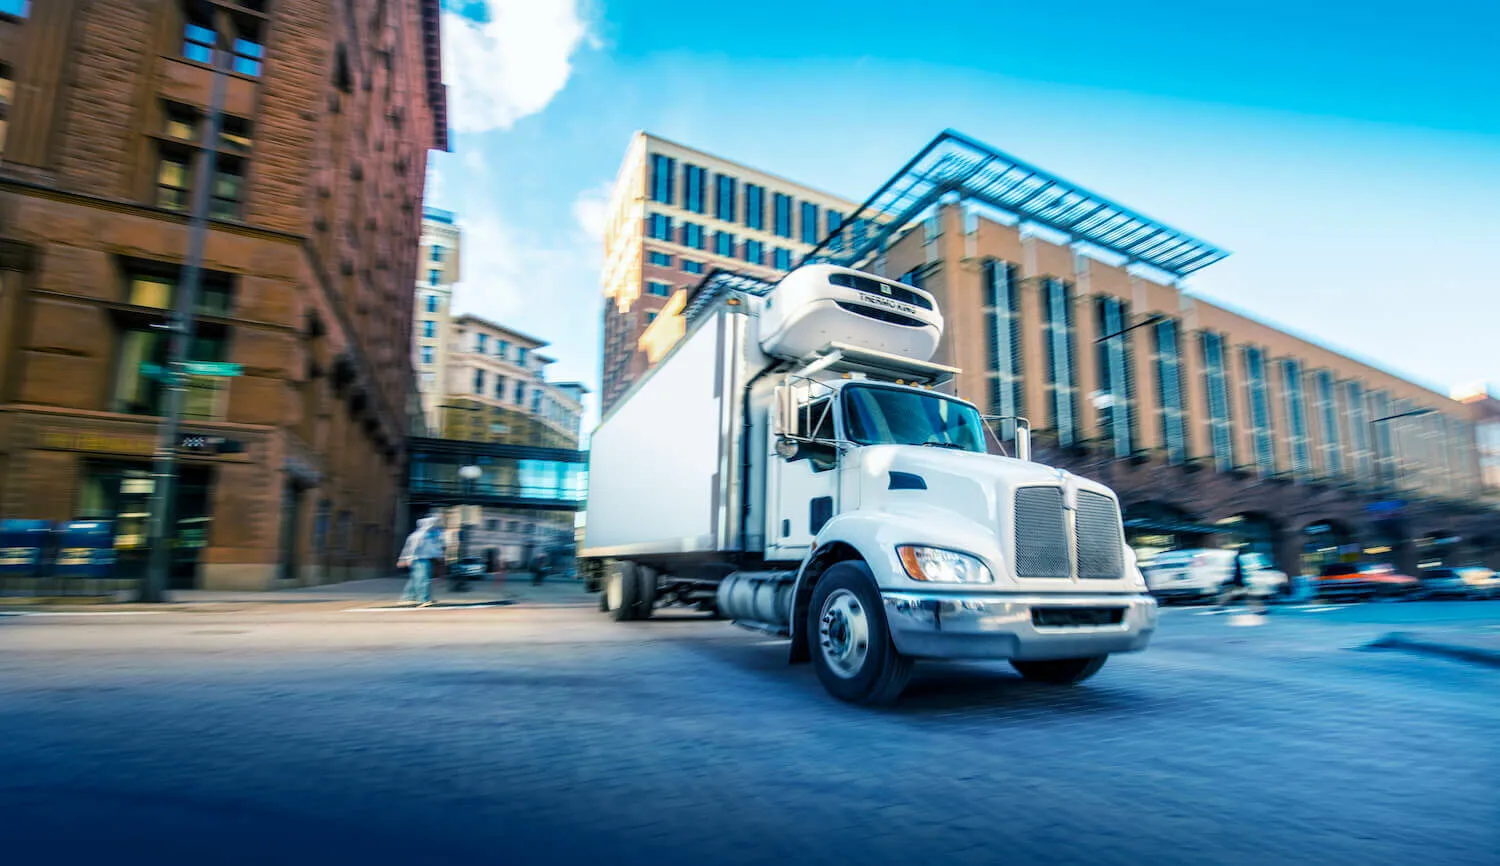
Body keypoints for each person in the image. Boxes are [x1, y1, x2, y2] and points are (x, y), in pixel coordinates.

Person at [397, 514, 444, 607]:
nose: (435, 525)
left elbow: (435, 548)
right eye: (434, 523)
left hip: (425, 559)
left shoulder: (431, 535)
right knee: (423, 580)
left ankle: (408, 598)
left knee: (415, 579)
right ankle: (423, 600)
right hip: (419, 559)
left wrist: (439, 556)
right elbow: (411, 548)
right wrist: (407, 558)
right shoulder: (420, 535)